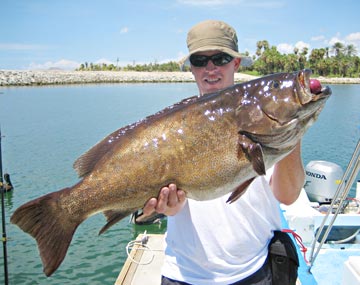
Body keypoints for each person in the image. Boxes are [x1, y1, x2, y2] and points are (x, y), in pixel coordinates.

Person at [138, 20, 304, 285]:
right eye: (200, 60)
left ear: (235, 64)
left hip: (254, 271)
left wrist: (292, 130)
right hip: (183, 275)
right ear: (191, 68)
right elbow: (144, 211)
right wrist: (163, 209)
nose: (210, 68)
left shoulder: (261, 114)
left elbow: (288, 195)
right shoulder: (171, 129)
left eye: (220, 58)